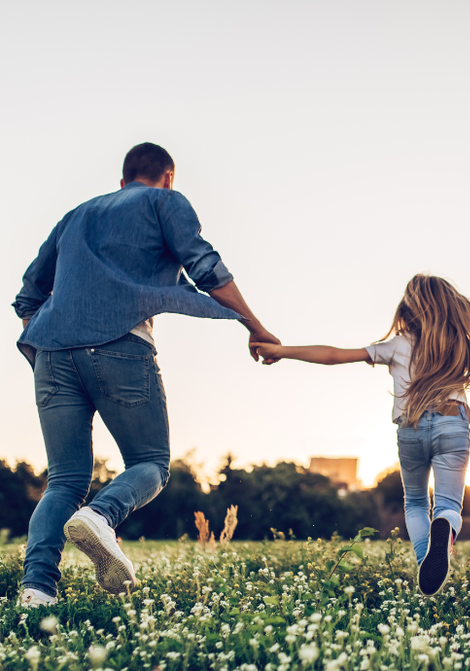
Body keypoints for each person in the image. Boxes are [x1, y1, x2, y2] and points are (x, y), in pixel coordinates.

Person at [12, 143, 280, 607]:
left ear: (122, 181)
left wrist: (52, 336)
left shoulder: (77, 214)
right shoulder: (163, 202)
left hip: (51, 350)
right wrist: (256, 327)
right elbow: (206, 268)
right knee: (152, 462)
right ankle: (102, 516)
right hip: (121, 345)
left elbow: (28, 293)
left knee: (64, 481)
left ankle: (37, 590)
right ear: (168, 177)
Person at [254, 274, 470, 596]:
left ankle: (427, 562)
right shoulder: (460, 346)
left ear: (408, 309)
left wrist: (282, 350)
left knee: (415, 503)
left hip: (411, 429)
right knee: (448, 505)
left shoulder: (397, 345)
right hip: (453, 424)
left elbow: (333, 355)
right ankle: (445, 529)